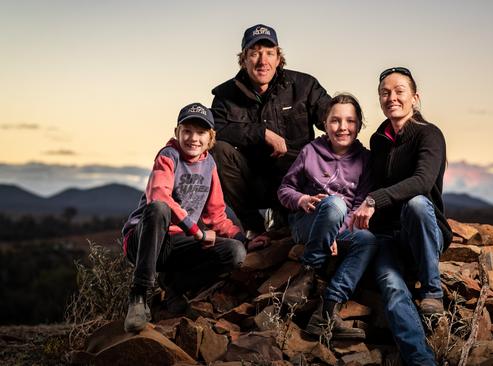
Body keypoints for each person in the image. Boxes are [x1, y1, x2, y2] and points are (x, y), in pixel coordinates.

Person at [350, 67, 453, 365]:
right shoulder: (378, 140)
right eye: (385, 92)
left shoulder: (429, 134)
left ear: (415, 98)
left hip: (422, 232)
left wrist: (374, 200)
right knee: (393, 290)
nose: (391, 97)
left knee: (418, 203)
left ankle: (432, 291)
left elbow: (422, 181)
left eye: (399, 91)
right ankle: (421, 360)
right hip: (388, 237)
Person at [121, 103, 247, 333]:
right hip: (144, 241)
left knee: (235, 252)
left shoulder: (209, 165)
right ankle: (139, 296)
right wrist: (196, 231)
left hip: (178, 245)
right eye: (187, 131)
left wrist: (243, 238)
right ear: (177, 132)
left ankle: (173, 285)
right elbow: (159, 195)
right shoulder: (168, 156)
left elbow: (216, 215)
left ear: (210, 138)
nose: (193, 138)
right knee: (159, 208)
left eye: (201, 133)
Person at [210, 24, 331, 244]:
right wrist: (261, 133)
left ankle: (287, 218)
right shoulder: (225, 95)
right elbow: (213, 130)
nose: (262, 61)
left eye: (269, 53)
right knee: (217, 149)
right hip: (253, 183)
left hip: (298, 179)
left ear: (278, 58)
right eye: (254, 53)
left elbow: (335, 119)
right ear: (243, 59)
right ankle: (254, 228)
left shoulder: (304, 85)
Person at [277, 93, 376, 340]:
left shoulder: (365, 160)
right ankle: (307, 273)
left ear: (359, 124)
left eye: (350, 121)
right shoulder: (311, 151)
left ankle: (327, 311)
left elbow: (359, 204)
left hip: (341, 228)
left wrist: (335, 231)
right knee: (334, 204)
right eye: (335, 120)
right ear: (325, 122)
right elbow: (285, 190)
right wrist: (302, 200)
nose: (342, 127)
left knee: (368, 240)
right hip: (307, 224)